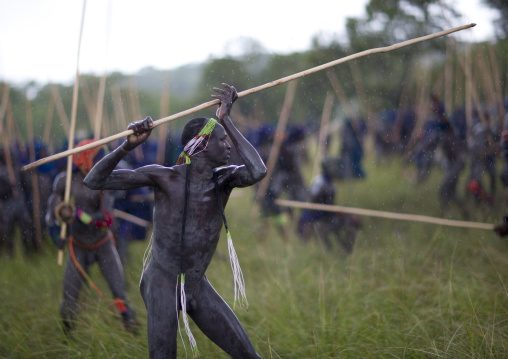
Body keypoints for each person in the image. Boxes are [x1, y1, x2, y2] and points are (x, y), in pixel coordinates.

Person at [84, 83, 266, 359]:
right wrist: (127, 145)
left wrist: (225, 120)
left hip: (196, 284)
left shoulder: (224, 179)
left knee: (249, 356)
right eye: (220, 139)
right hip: (162, 284)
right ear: (201, 145)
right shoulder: (164, 178)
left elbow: (257, 170)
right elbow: (94, 180)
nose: (227, 143)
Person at [46, 139, 138, 335]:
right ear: (85, 159)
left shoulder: (104, 180)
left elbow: (106, 220)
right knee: (69, 296)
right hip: (77, 246)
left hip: (102, 244)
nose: (103, 162)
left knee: (119, 292)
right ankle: (68, 337)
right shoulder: (64, 181)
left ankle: (131, 329)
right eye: (98, 158)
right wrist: (56, 236)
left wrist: (77, 215)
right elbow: (50, 215)